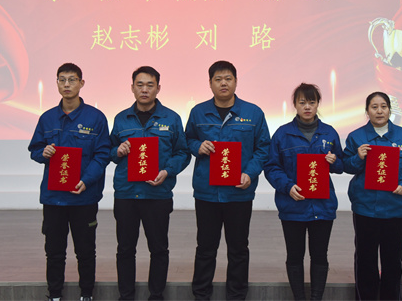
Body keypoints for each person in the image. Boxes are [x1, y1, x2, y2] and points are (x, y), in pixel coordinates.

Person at [185, 60, 271, 300]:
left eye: (228, 79)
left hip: (238, 192)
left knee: (238, 248)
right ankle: (201, 294)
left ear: (236, 81)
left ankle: (237, 295)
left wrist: (250, 173)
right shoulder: (198, 112)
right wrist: (197, 146)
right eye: (218, 79)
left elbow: (263, 148)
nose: (223, 83)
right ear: (210, 83)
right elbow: (187, 139)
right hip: (207, 192)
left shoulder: (253, 113)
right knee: (205, 248)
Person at [28, 63, 111, 301]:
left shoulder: (96, 118)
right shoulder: (47, 118)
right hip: (54, 198)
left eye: (72, 80)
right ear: (56, 83)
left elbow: (103, 154)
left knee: (85, 251)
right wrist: (43, 153)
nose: (67, 85)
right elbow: (35, 150)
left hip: (83, 196)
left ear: (81, 83)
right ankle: (54, 294)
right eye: (62, 80)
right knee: (54, 251)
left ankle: (87, 294)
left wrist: (87, 180)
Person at [109, 66, 190, 300]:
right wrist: (118, 151)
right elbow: (109, 151)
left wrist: (167, 171)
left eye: (150, 85)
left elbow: (183, 152)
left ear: (158, 88)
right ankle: (126, 295)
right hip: (126, 194)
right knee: (125, 249)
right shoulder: (121, 119)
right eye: (140, 85)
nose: (144, 89)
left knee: (159, 249)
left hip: (157, 194)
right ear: (132, 88)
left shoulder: (171, 118)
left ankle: (156, 295)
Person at [264, 83, 344, 301]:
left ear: (318, 104)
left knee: (320, 256)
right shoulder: (282, 134)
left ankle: (316, 297)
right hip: (293, 206)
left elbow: (341, 165)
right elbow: (271, 167)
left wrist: (334, 161)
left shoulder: (329, 133)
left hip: (323, 207)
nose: (307, 107)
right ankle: (299, 297)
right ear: (295, 105)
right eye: (302, 102)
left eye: (311, 102)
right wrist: (287, 186)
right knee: (294, 256)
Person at [342, 91, 402, 301]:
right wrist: (358, 157)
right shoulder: (356, 137)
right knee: (365, 259)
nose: (379, 111)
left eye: (384, 106)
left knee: (392, 260)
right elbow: (346, 166)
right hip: (365, 207)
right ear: (367, 111)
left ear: (389, 109)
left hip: (394, 207)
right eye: (374, 107)